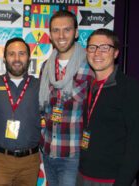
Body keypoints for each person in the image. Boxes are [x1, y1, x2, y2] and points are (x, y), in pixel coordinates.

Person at [76, 28, 139, 186]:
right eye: (93, 48)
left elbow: (138, 145)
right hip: (84, 176)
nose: (97, 53)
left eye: (104, 48)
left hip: (111, 180)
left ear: (115, 53)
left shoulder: (130, 88)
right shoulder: (90, 86)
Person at [39, 10, 93, 186]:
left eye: (67, 29)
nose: (61, 35)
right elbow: (43, 110)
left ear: (76, 33)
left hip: (73, 154)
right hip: (48, 151)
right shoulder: (45, 68)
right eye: (55, 30)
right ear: (50, 35)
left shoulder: (90, 65)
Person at [0, 37, 41, 186]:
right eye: (11, 54)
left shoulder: (40, 86)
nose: (16, 59)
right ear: (4, 59)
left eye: (21, 53)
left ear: (28, 58)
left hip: (30, 161)